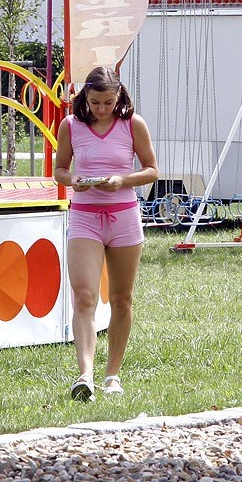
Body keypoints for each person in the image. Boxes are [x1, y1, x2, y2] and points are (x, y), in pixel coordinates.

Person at [53, 66, 158, 402]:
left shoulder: (132, 124)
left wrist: (121, 180)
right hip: (84, 216)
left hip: (123, 218)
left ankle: (112, 374)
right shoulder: (70, 126)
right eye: (96, 102)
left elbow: (152, 170)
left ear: (119, 97)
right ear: (85, 98)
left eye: (108, 102)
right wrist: (74, 181)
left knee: (121, 300)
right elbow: (59, 170)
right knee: (84, 296)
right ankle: (84, 375)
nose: (101, 108)